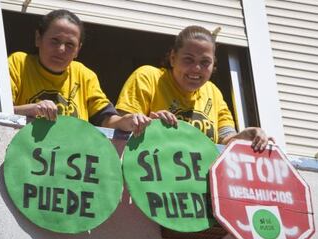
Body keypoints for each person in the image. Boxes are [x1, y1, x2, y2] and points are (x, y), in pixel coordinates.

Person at [115, 25, 274, 151]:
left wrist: (245, 137)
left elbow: (225, 140)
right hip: (151, 182)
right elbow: (118, 130)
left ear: (213, 65)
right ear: (172, 58)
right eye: (188, 60)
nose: (196, 68)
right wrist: (149, 125)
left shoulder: (214, 93)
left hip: (199, 188)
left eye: (205, 62)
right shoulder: (148, 77)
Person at [8, 9, 148, 134]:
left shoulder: (85, 75)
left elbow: (105, 120)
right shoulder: (19, 63)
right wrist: (31, 109)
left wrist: (126, 121)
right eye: (55, 41)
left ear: (78, 50)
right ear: (38, 39)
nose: (61, 49)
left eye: (70, 44)